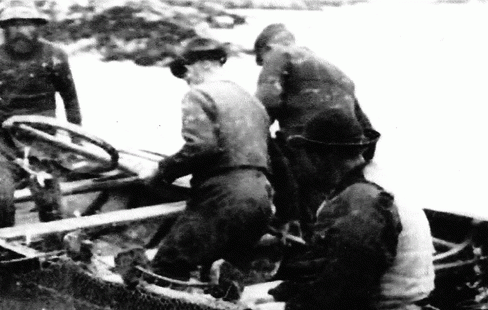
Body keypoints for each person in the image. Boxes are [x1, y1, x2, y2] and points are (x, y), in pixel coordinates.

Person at [263, 109, 434, 310]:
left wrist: (296, 304)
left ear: (323, 156)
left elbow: (349, 288)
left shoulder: (361, 198)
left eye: (307, 154)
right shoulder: (374, 180)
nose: (305, 163)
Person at [140, 37, 274, 282]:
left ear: (198, 65)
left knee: (166, 267)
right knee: (224, 279)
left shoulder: (199, 95)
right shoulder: (252, 101)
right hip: (261, 198)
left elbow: (201, 147)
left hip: (224, 196)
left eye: (185, 72)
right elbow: (278, 161)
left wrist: (161, 172)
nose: (186, 80)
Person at [0, 0, 82, 229]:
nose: (20, 32)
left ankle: (56, 244)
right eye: (13, 26)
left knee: (48, 197)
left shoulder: (55, 57)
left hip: (42, 138)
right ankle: (0, 248)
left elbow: (71, 100)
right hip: (1, 138)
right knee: (0, 196)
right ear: (4, 29)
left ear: (37, 27)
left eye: (26, 25)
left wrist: (76, 142)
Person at [253, 23, 377, 233]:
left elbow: (263, 108)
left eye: (260, 61)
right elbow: (366, 127)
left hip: (306, 152)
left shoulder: (278, 53)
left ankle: (284, 221)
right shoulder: (337, 70)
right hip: (343, 158)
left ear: (266, 48)